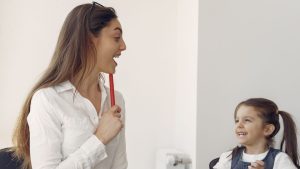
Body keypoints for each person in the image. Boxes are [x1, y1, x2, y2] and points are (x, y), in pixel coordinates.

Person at [12, 2, 127, 169]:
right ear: (89, 41)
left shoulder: (117, 100)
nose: (123, 46)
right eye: (116, 38)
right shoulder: (47, 100)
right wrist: (100, 139)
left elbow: (120, 166)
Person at [213, 98, 300, 169]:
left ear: (267, 129)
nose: (239, 125)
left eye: (247, 120)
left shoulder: (280, 160)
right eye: (237, 121)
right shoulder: (228, 157)